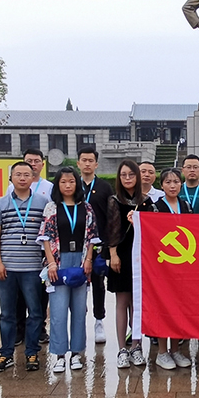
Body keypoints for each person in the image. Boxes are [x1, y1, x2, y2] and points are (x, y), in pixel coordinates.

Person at [0, 161, 50, 372]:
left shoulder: (43, 202)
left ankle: (32, 352)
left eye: (27, 174)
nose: (22, 178)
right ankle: (6, 354)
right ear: (11, 178)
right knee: (7, 314)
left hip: (33, 268)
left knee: (35, 312)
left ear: (33, 178)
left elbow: (48, 234)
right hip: (7, 267)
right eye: (18, 174)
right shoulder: (0, 203)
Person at [38, 167, 98, 373]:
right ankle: (59, 354)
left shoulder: (86, 208)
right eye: (63, 182)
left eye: (71, 181)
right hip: (58, 261)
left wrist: (88, 260)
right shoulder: (51, 207)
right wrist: (51, 263)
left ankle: (76, 353)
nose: (68, 185)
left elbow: (92, 237)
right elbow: (46, 238)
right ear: (57, 184)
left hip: (80, 261)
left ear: (77, 184)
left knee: (79, 311)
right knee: (58, 311)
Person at [108, 159, 155, 368]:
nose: (127, 178)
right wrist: (113, 254)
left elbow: (152, 230)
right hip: (120, 256)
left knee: (137, 304)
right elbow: (111, 230)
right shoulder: (114, 200)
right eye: (123, 175)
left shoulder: (146, 201)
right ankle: (122, 349)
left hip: (140, 257)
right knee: (122, 302)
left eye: (131, 174)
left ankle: (137, 346)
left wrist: (138, 222)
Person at [10, 148, 54, 346]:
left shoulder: (49, 188)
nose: (33, 164)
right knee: (19, 294)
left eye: (36, 161)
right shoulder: (10, 189)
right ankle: (19, 329)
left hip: (41, 249)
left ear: (42, 164)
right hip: (19, 250)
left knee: (40, 292)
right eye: (29, 161)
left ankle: (40, 329)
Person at [152, 168, 194, 370]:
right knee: (163, 306)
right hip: (161, 266)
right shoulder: (155, 207)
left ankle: (176, 349)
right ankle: (162, 352)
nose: (172, 185)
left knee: (179, 306)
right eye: (168, 182)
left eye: (176, 182)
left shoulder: (186, 206)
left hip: (183, 265)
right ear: (161, 185)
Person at [78, 147, 113, 345]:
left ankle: (99, 320)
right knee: (78, 282)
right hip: (76, 244)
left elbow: (110, 217)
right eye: (84, 160)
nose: (87, 163)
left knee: (98, 283)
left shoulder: (105, 187)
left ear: (96, 164)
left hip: (98, 243)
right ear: (78, 163)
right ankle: (79, 321)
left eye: (91, 160)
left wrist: (108, 243)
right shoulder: (72, 185)